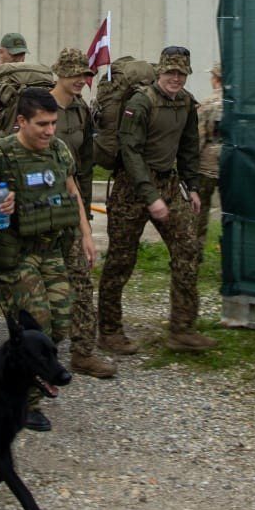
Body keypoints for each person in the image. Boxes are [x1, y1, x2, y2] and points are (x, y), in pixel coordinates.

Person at [95, 46, 216, 353]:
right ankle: (109, 332)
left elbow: (189, 149)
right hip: (131, 188)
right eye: (170, 72)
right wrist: (150, 196)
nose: (175, 78)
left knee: (188, 248)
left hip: (169, 184)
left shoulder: (187, 103)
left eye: (181, 73)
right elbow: (129, 151)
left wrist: (194, 188)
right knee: (121, 260)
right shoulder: (141, 102)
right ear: (160, 72)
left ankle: (182, 329)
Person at [0, 89, 92, 430]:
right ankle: (22, 402)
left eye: (53, 123)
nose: (49, 131)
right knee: (38, 326)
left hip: (51, 251)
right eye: (41, 124)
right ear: (21, 121)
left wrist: (87, 236)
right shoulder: (1, 153)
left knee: (60, 324)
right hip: (16, 254)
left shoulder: (59, 151)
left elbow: (72, 193)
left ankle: (8, 371)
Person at [50, 47, 115, 378]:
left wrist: (85, 217)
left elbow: (85, 167)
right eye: (74, 74)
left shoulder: (81, 111)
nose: (80, 80)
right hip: (36, 209)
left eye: (84, 75)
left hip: (69, 206)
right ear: (59, 73)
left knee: (80, 278)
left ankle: (83, 352)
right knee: (7, 279)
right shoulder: (37, 106)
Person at [196, 62, 224, 254]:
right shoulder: (238, 104)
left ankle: (194, 255)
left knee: (200, 211)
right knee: (230, 213)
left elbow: (198, 138)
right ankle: (229, 258)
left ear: (216, 79)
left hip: (206, 167)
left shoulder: (207, 104)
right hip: (232, 166)